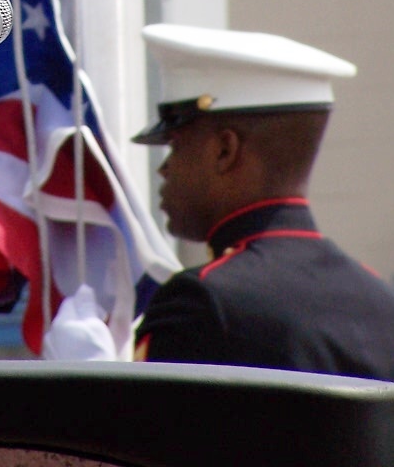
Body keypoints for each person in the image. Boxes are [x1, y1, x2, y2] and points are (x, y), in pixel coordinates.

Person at [132, 23, 394, 379]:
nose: (164, 169)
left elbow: (141, 433)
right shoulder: (380, 302)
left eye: (176, 146)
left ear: (225, 150)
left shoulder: (200, 304)